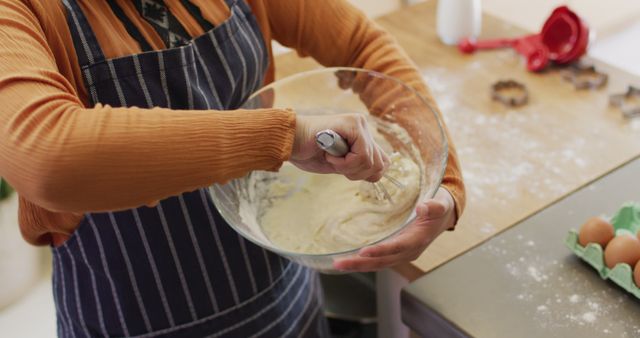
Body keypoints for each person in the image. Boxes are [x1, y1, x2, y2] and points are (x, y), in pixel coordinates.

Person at [0, 0, 466, 337]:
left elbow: (361, 45)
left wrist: (443, 186)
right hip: (134, 314)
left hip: (282, 293)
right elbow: (49, 157)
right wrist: (287, 136)